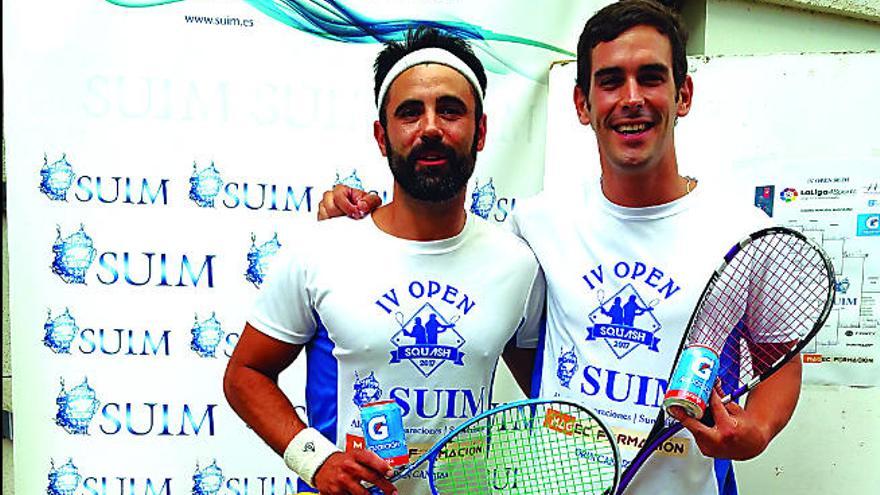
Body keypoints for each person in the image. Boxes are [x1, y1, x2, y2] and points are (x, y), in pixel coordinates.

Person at [318, 2, 801, 494]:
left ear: (683, 94)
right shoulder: (537, 224)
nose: (631, 98)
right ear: (582, 103)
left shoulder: (743, 233)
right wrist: (359, 223)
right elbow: (496, 318)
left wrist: (757, 429)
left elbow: (779, 364)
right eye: (610, 81)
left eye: (651, 77)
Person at [224, 27, 544, 495]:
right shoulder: (324, 250)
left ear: (481, 131)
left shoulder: (517, 265)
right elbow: (245, 375)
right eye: (410, 112)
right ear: (382, 135)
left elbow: (547, 383)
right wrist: (316, 461)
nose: (431, 128)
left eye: (451, 110)